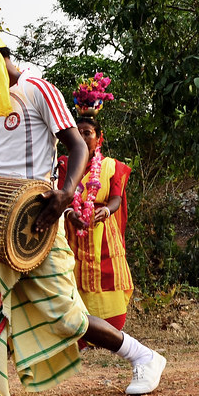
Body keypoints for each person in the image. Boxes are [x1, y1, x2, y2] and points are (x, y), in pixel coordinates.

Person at [0, 24, 165, 396]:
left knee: (63, 312)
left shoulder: (38, 88)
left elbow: (76, 144)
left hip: (36, 222)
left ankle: (143, 356)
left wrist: (66, 194)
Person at [57, 116, 134, 334]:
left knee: (109, 279)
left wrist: (107, 210)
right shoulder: (64, 164)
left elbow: (116, 197)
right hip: (75, 234)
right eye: (77, 133)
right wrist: (70, 213)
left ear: (98, 137)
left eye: (87, 133)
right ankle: (81, 333)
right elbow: (62, 196)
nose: (82, 137)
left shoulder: (111, 166)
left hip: (104, 236)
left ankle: (110, 333)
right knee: (74, 281)